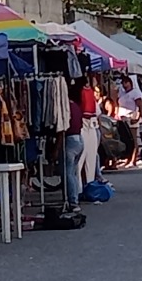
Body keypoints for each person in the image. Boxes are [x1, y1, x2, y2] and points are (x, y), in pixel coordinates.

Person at [115, 76, 142, 167]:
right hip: (123, 118)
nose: (125, 85)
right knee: (126, 140)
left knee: (133, 139)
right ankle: (128, 159)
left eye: (126, 82)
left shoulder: (135, 93)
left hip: (132, 117)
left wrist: (138, 116)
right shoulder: (122, 93)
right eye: (123, 83)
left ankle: (134, 159)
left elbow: (140, 106)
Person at [64, 79, 85, 207]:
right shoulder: (76, 107)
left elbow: (63, 128)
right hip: (79, 139)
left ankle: (73, 200)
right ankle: (76, 195)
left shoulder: (66, 108)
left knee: (68, 172)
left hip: (71, 140)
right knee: (74, 171)